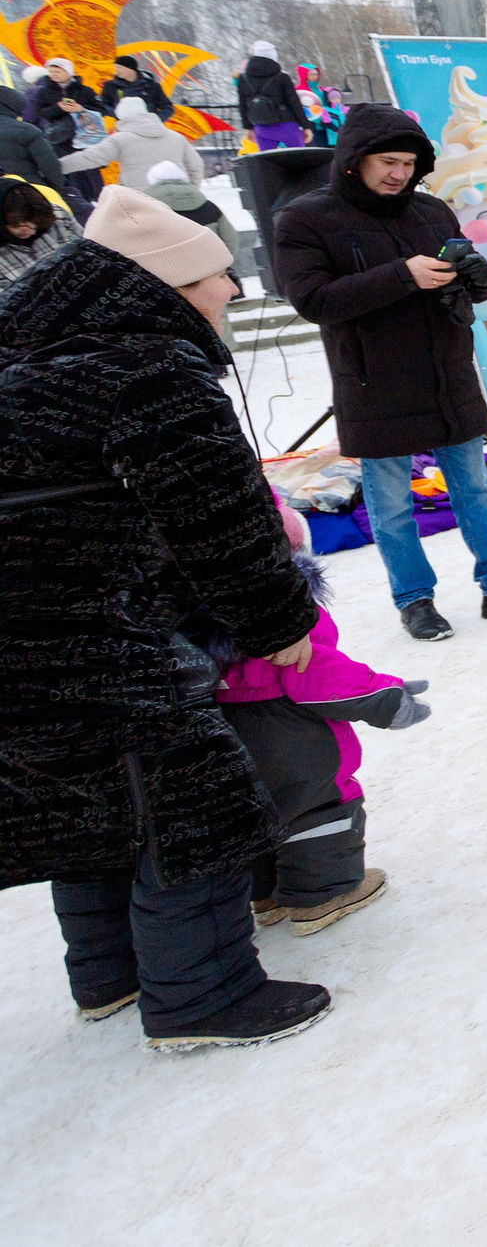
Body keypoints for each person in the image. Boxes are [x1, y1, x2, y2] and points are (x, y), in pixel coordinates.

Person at [4, 186, 332, 1048]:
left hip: (27, 630)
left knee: (93, 795)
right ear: (171, 282)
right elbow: (220, 520)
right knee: (187, 795)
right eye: (221, 275)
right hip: (92, 626)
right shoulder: (149, 367)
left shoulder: (30, 355)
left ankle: (107, 974)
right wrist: (278, 620)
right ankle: (204, 997)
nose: (233, 289)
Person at [271, 107, 487, 641]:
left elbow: (474, 285)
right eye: (387, 162)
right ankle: (414, 599)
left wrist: (479, 276)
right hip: (372, 381)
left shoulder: (431, 210)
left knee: (475, 489)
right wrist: (401, 275)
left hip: (447, 374)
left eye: (408, 163)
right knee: (392, 503)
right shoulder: (305, 218)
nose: (399, 173)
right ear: (355, 160)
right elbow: (313, 299)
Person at [217, 492, 426, 936]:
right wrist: (386, 696)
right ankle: (322, 896)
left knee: (253, 809)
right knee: (316, 806)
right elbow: (319, 673)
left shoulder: (198, 614)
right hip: (291, 733)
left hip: (223, 730)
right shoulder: (285, 611)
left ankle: (266, 895)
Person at [60, 96, 207, 191]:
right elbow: (196, 165)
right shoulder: (176, 137)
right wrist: (192, 190)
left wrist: (57, 167)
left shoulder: (119, 139)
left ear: (121, 117)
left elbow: (89, 158)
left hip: (141, 201)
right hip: (179, 198)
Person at [29, 60, 104, 207]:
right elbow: (41, 113)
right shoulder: (44, 92)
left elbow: (101, 109)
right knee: (71, 171)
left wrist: (82, 108)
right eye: (51, 72)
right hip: (60, 139)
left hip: (86, 136)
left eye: (57, 71)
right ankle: (81, 204)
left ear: (68, 72)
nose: (53, 75)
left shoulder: (85, 90)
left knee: (92, 169)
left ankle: (101, 200)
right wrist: (59, 108)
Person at [0, 173, 78, 282]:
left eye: (36, 224)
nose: (30, 231)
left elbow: (90, 250)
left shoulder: (57, 215)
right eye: (17, 224)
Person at [235, 41, 312, 148]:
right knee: (298, 157)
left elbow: (242, 105)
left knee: (268, 158)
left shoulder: (243, 78)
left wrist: (247, 127)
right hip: (287, 125)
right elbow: (294, 103)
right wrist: (306, 126)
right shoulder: (282, 77)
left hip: (261, 127)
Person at [0, 84, 68, 195]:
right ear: (15, 107)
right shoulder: (27, 130)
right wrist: (55, 188)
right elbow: (50, 166)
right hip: (27, 191)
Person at [100, 54, 173, 122]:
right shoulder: (110, 86)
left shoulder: (151, 86)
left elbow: (167, 107)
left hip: (148, 127)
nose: (116, 70)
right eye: (115, 67)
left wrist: (156, 120)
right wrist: (119, 112)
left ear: (130, 68)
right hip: (124, 127)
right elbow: (102, 105)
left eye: (120, 67)